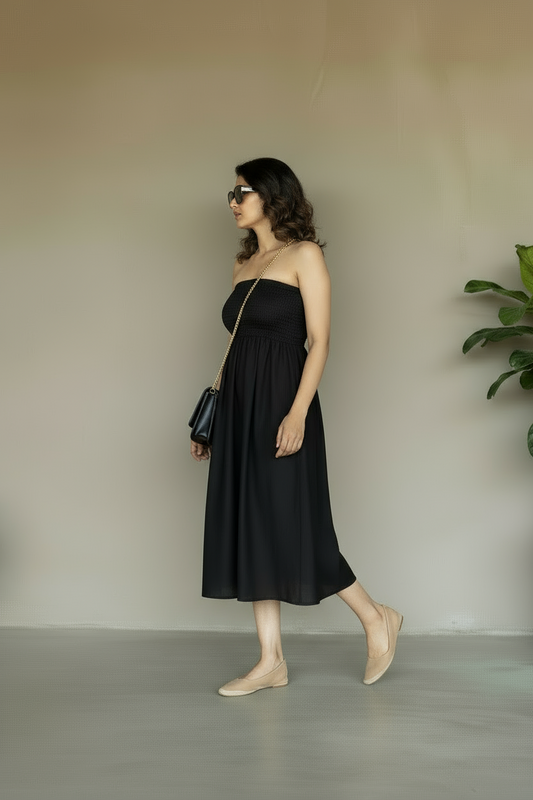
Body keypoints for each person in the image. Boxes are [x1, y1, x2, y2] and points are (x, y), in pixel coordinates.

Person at [190, 157, 402, 696]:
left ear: (272, 194)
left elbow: (321, 340)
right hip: (241, 406)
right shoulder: (242, 265)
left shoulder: (304, 255)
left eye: (243, 191)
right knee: (254, 523)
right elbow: (236, 346)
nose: (234, 201)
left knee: (294, 522)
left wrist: (298, 411)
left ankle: (377, 617)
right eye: (231, 193)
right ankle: (270, 661)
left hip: (285, 403)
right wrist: (211, 423)